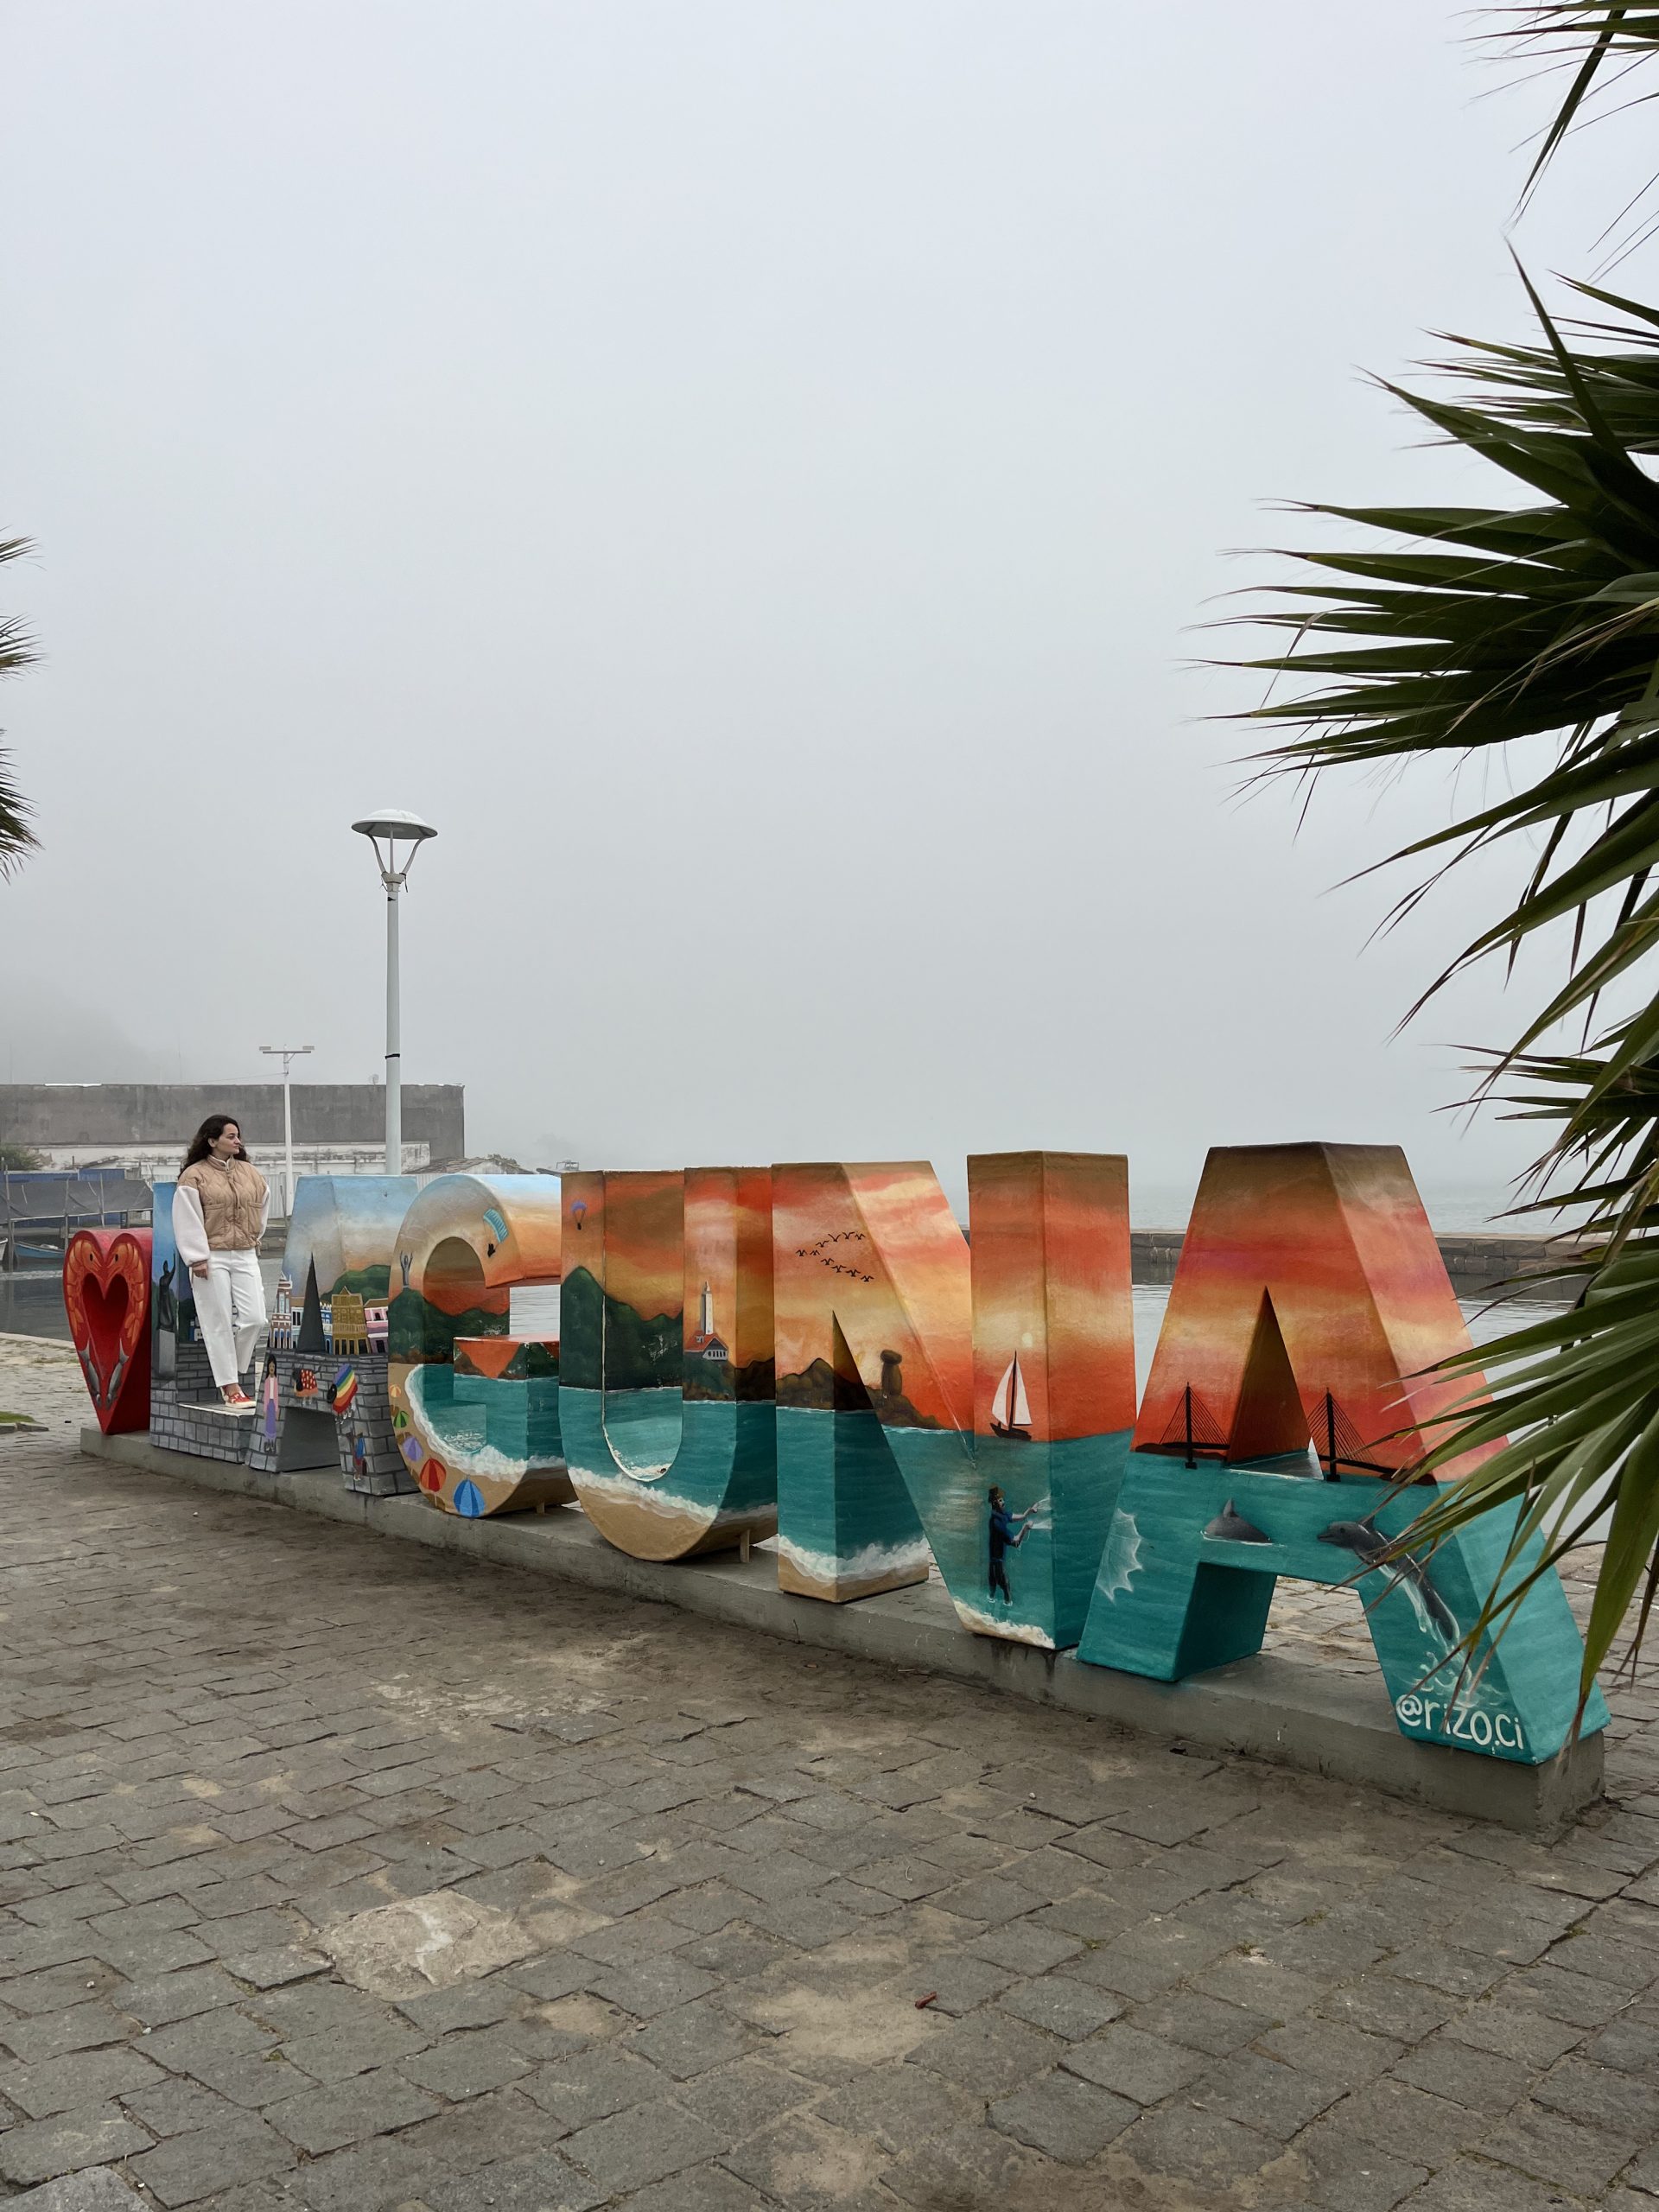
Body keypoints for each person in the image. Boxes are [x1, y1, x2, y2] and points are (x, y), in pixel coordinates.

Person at [174, 1115, 269, 1410]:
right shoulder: (194, 1176)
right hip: (211, 1256)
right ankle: (231, 1387)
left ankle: (236, 1370)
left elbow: (262, 1208)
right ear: (212, 1140)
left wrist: (254, 1237)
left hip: (244, 1253)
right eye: (230, 1136)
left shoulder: (251, 1173)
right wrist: (197, 1257)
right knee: (218, 1322)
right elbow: (187, 1218)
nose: (237, 1141)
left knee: (256, 1318)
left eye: (238, 1136)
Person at [987, 1484, 1037, 1605]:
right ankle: (1005, 1614)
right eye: (1000, 1500)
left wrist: (1029, 1511)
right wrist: (1025, 1528)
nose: (1003, 1502)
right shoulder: (997, 1523)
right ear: (994, 1503)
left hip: (995, 1562)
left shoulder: (1001, 1515)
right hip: (997, 1563)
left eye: (1002, 1499)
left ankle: (992, 1605)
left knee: (994, 1590)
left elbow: (1019, 1517)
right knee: (1006, 1588)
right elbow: (1015, 1542)